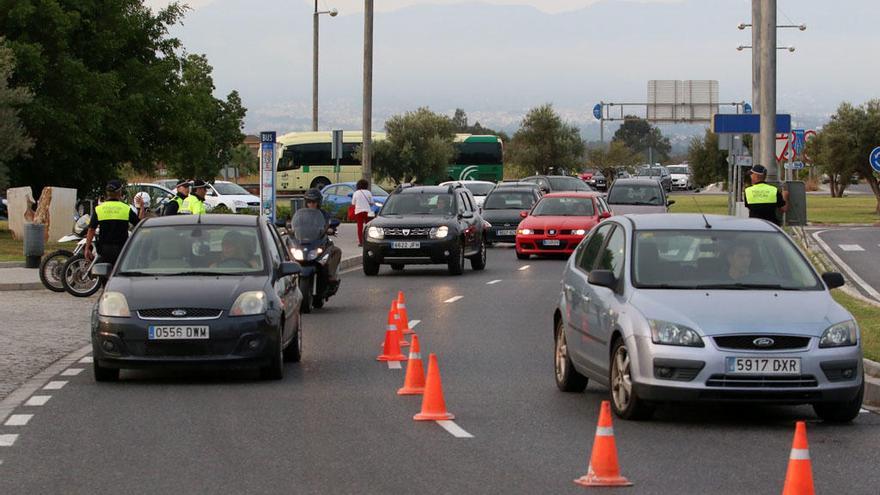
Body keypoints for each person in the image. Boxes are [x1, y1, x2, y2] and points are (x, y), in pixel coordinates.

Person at [84, 180, 145, 267]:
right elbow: (139, 224)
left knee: (103, 275)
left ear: (107, 193)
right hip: (122, 250)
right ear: (119, 192)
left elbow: (91, 229)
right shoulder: (126, 209)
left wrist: (87, 248)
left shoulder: (99, 209)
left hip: (104, 250)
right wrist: (142, 207)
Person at [292, 188, 342, 290]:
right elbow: (294, 224)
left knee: (336, 251)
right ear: (306, 202)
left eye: (314, 202)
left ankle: (331, 276)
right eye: (309, 202)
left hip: (319, 242)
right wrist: (290, 229)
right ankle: (287, 277)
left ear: (318, 202)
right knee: (286, 251)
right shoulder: (300, 214)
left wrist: (331, 229)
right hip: (302, 242)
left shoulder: (323, 214)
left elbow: (330, 222)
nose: (312, 204)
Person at [351, 179, 373, 247]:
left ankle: (361, 242)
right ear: (366, 185)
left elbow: (353, 203)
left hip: (359, 212)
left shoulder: (356, 193)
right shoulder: (369, 193)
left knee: (360, 227)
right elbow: (371, 203)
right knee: (368, 227)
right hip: (367, 212)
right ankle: (369, 241)